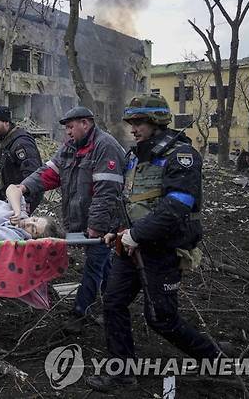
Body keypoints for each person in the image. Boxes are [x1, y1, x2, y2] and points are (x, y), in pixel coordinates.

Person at [86, 94, 223, 391]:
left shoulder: (181, 156)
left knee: (161, 318)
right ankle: (122, 374)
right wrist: (116, 230)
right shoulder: (135, 156)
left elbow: (177, 206)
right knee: (113, 301)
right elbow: (129, 201)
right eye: (131, 122)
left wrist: (135, 235)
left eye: (139, 122)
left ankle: (214, 356)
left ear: (156, 121)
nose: (133, 128)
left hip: (161, 250)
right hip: (130, 248)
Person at [7, 106, 125, 333]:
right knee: (102, 263)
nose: (68, 132)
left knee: (93, 265)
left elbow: (106, 192)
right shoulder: (71, 147)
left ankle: (80, 313)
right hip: (82, 218)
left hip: (105, 221)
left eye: (71, 127)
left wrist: (96, 227)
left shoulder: (105, 147)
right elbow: (49, 172)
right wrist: (24, 187)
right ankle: (114, 304)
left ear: (86, 123)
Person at [0, 105, 43, 213]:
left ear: (6, 122)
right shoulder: (6, 141)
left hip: (19, 199)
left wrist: (26, 201)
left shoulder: (21, 142)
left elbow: (32, 172)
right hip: (7, 199)